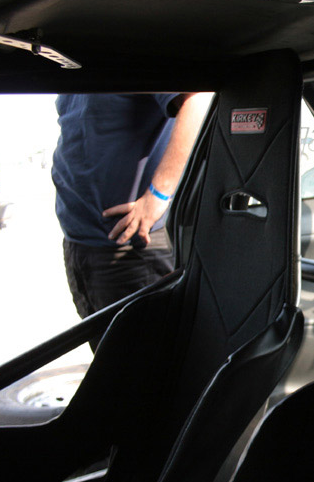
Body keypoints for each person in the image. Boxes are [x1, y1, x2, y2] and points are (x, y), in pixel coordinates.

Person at [52, 92, 211, 320]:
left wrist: (158, 193)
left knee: (143, 341)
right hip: (80, 244)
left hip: (130, 250)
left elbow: (197, 100)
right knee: (102, 341)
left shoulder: (129, 66)